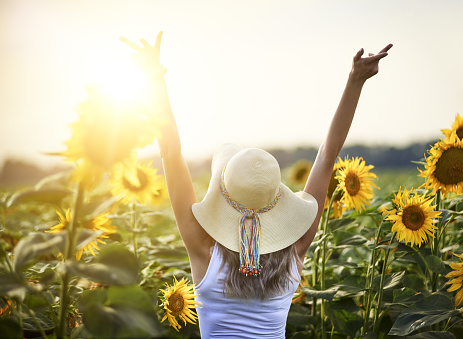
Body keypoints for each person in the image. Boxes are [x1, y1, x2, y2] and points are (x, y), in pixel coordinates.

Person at [121, 32, 392, 338]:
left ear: (224, 194)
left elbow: (170, 153)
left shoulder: (203, 247)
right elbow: (327, 157)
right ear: (275, 200)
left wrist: (155, 80)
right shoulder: (295, 249)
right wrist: (355, 81)